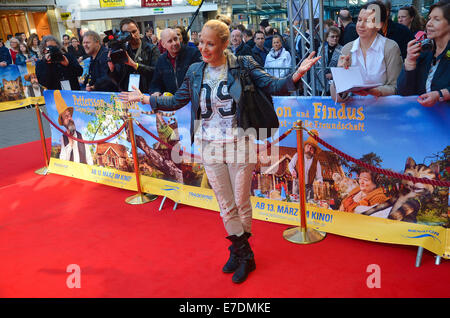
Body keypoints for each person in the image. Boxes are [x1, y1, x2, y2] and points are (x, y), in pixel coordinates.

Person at [119, 19, 321, 284]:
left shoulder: (243, 65)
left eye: (210, 43)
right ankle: (243, 252)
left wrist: (296, 75)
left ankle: (240, 252)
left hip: (241, 144)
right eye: (201, 41)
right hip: (208, 145)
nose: (203, 47)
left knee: (240, 201)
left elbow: (273, 85)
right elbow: (177, 100)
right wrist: (145, 98)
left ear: (225, 44)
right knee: (225, 205)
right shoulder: (194, 71)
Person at [332, 1, 403, 100]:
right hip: (355, 112)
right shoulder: (348, 49)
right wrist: (339, 73)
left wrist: (376, 91)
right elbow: (337, 98)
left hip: (384, 111)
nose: (361, 25)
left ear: (379, 25)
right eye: (359, 20)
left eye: (368, 21)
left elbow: (396, 87)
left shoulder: (390, 47)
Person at [397, 0, 450, 107]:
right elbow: (404, 92)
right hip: (423, 121)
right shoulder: (424, 50)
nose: (429, 24)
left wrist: (441, 94)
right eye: (429, 18)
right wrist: (410, 63)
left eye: (437, 19)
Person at [109, 18, 160, 93]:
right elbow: (119, 79)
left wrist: (135, 65)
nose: (132, 36)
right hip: (128, 95)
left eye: (134, 31)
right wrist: (112, 69)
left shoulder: (152, 49)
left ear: (138, 30)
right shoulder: (122, 51)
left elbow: (157, 72)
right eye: (127, 34)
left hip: (146, 93)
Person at [149, 28, 202, 96]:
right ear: (163, 44)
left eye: (175, 39)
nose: (174, 43)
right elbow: (155, 84)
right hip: (172, 102)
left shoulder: (193, 53)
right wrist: (156, 92)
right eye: (170, 41)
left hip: (193, 100)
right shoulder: (161, 60)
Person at [54, 90, 93, 165]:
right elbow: (62, 162)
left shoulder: (82, 136)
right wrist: (70, 144)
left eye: (70, 116)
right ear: (62, 122)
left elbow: (89, 157)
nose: (69, 118)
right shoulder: (63, 138)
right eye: (66, 117)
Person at [288, 130, 323, 201]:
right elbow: (290, 165)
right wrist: (293, 171)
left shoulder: (316, 162)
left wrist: (319, 182)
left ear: (314, 151)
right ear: (305, 147)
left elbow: (319, 177)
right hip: (297, 186)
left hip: (309, 189)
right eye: (308, 146)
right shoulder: (297, 155)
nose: (309, 148)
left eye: (312, 147)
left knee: (309, 205)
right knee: (296, 204)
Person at [317, 26, 343, 94]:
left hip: (336, 83)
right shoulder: (321, 49)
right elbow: (318, 64)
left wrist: (333, 74)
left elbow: (343, 67)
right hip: (322, 82)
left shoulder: (342, 49)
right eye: (332, 36)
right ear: (327, 38)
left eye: (337, 36)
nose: (335, 38)